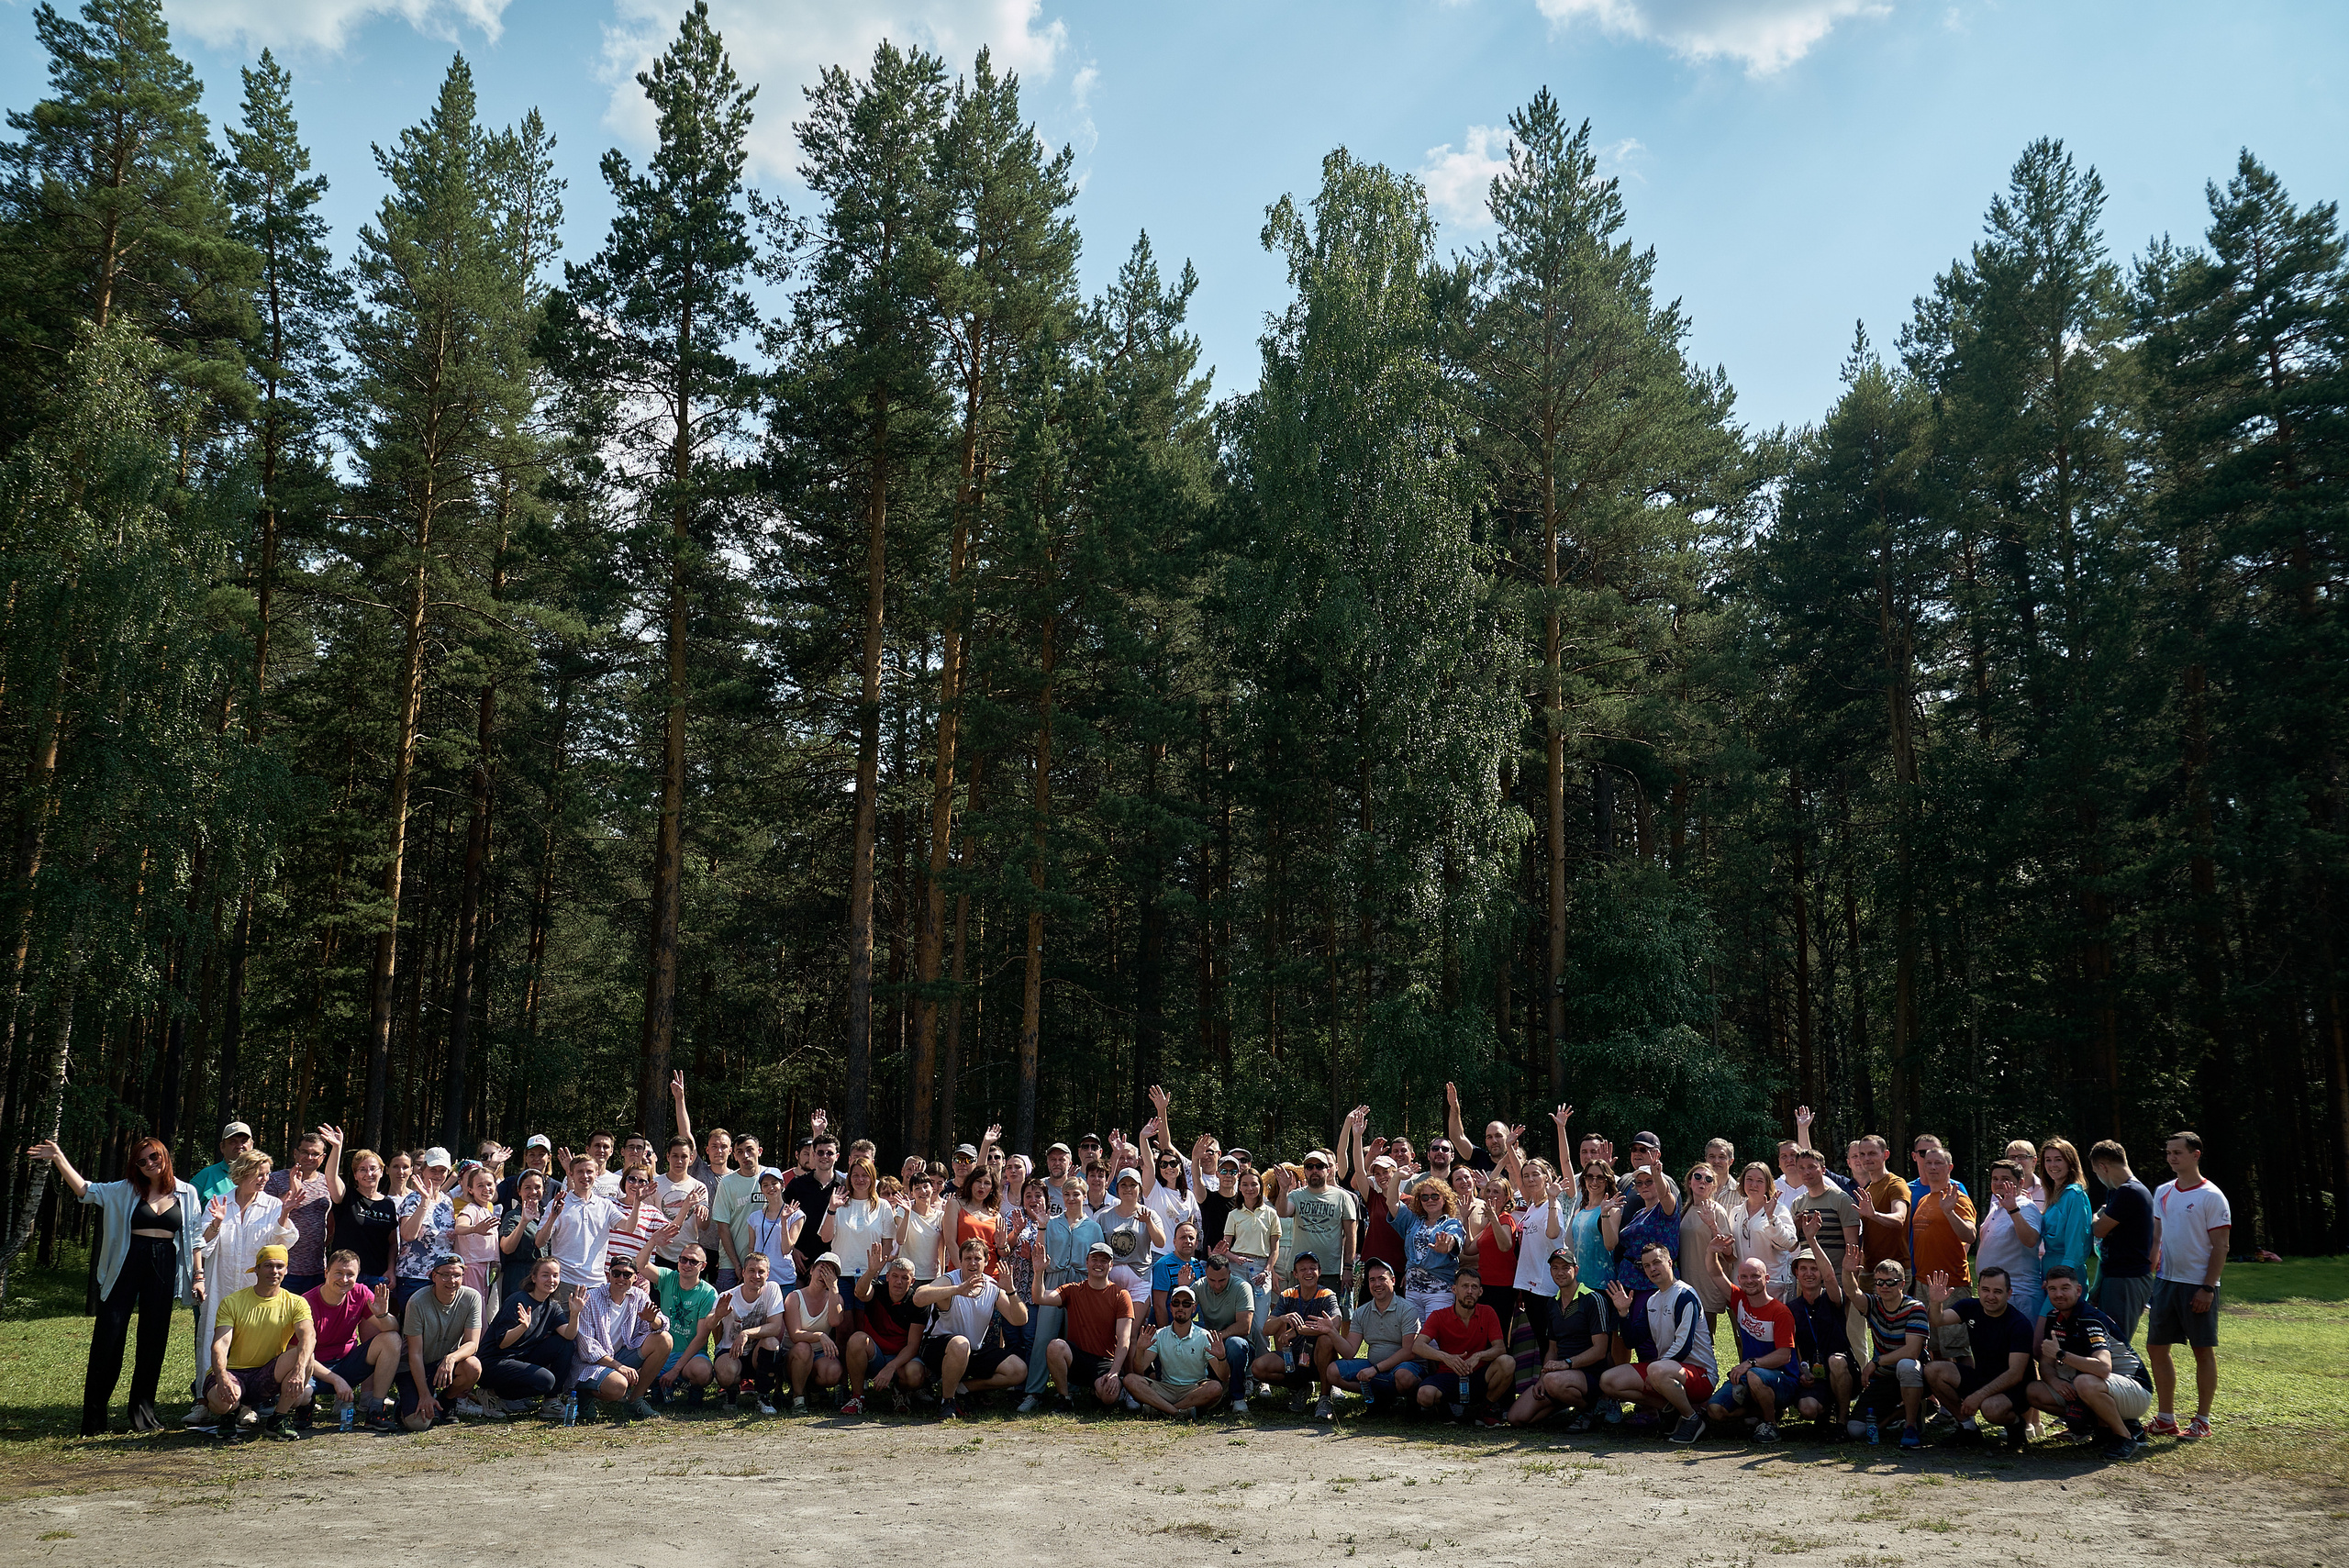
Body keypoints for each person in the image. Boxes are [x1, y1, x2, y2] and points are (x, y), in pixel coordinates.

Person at [29, 1136, 205, 1435]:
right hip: (126, 1262)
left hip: (164, 1265)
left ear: (165, 1156)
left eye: (154, 1157)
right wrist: (58, 1157)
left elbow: (195, 1236)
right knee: (108, 1337)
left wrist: (198, 1276)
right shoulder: (124, 1189)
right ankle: (94, 1420)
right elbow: (85, 1190)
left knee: (153, 1340)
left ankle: (143, 1415)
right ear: (136, 1166)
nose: (149, 1164)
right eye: (142, 1160)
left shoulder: (186, 1192)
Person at [193, 1149, 295, 1426]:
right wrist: (216, 1223)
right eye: (258, 1174)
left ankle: (248, 1404)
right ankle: (203, 1401)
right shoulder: (220, 1201)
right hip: (220, 1284)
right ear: (242, 1173)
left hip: (255, 1288)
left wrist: (284, 1214)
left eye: (267, 1174)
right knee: (211, 1338)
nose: (264, 1179)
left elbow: (280, 1248)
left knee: (253, 1342)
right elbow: (201, 1245)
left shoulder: (273, 1206)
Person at [2144, 1129, 2229, 1441]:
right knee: (2156, 1347)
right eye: (2168, 1152)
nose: (2171, 1157)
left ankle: (2202, 1420)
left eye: (2177, 1152)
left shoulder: (2212, 1196)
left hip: (2197, 1286)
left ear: (2196, 1155)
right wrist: (2150, 1275)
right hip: (2166, 1283)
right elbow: (2157, 1238)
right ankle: (2166, 1418)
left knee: (2201, 1350)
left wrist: (2207, 1287)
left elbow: (2221, 1246)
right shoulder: (2163, 1191)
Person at [2027, 1262, 2150, 1459]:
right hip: (2100, 1386)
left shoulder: (2090, 1319)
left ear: (2078, 1290)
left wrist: (2061, 1354)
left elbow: (2103, 1368)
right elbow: (2046, 1363)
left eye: (2065, 1288)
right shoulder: (2054, 1318)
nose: (2058, 1294)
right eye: (2053, 1289)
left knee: (2084, 1382)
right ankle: (2102, 1429)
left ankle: (2126, 1437)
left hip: (2135, 1390)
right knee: (2033, 1391)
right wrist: (2055, 1381)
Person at [1598, 1241, 1715, 1443]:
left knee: (1656, 1369)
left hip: (1700, 1374)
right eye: (1646, 1266)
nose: (1652, 1269)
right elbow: (1632, 1340)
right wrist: (1623, 1314)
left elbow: (1684, 1346)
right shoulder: (1652, 1300)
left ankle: (1692, 1419)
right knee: (1608, 1380)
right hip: (1666, 1371)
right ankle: (1671, 1411)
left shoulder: (1685, 1295)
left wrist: (1656, 1370)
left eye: (1657, 1262)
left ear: (1670, 1263)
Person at [201, 1244, 316, 1437]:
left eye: (280, 1266)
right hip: (233, 1372)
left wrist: (298, 1370)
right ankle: (229, 1415)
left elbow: (309, 1336)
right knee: (223, 1402)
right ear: (257, 1269)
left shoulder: (297, 1303)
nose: (274, 1271)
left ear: (286, 1270)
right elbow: (220, 1344)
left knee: (307, 1357)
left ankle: (278, 1419)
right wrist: (221, 1377)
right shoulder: (233, 1302)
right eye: (268, 1265)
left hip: (266, 1374)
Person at [914, 1236, 1030, 1418]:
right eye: (968, 1258)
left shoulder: (992, 1286)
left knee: (1018, 1369)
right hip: (937, 1348)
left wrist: (1011, 1291)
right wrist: (957, 1290)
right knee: (961, 1343)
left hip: (972, 1351)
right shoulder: (950, 1280)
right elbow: (918, 1298)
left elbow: (1020, 1320)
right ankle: (947, 1401)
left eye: (977, 1258)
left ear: (986, 1262)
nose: (973, 1263)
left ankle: (963, 1389)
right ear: (960, 1261)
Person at [1921, 1265, 2035, 1449]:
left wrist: (1978, 1396)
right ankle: (1968, 1429)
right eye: (1985, 1290)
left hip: (2014, 1388)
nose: (1990, 1296)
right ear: (1978, 1289)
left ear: (2009, 1293)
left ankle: (2016, 1426)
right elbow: (1937, 1320)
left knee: (1991, 1409)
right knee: (1933, 1370)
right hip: (1982, 1377)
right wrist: (1935, 1302)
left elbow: (2015, 1374)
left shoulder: (2019, 1324)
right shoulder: (1970, 1307)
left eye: (1997, 1291)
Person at [1505, 1250, 1610, 1428]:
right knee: (1516, 1417)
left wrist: (1566, 1364)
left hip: (1590, 1375)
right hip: (1560, 1376)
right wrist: (1541, 1378)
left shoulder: (1593, 1299)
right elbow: (1552, 1349)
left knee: (1553, 1381)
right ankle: (1563, 1401)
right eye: (1555, 1268)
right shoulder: (1552, 1303)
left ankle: (1590, 1410)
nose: (1560, 1272)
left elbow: (1600, 1351)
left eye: (1565, 1267)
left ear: (1576, 1270)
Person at [1701, 1254, 1798, 1441]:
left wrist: (1750, 1363)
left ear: (1766, 1278)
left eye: (1755, 1276)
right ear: (1739, 1279)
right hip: (1750, 1377)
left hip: (1783, 1380)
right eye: (1744, 1277)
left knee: (1754, 1375)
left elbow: (1784, 1356)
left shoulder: (1780, 1312)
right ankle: (1759, 1412)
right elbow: (1715, 1273)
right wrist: (1712, 1250)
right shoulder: (1739, 1300)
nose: (1749, 1281)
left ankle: (1770, 1425)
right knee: (1715, 1410)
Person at [1033, 1240, 1138, 1412]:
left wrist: (1114, 1372)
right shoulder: (1072, 1290)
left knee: (1109, 1397)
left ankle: (1097, 1391)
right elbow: (1040, 1298)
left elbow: (1124, 1340)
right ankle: (1065, 1398)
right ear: (1086, 1262)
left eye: (1104, 1261)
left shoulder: (1121, 1295)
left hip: (1105, 1362)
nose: (1099, 1264)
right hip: (1078, 1359)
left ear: (1111, 1265)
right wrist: (1039, 1272)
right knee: (1055, 1346)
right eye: (1094, 1259)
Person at [570, 1251, 671, 1420]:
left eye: (627, 1274)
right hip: (591, 1364)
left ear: (635, 1278)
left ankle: (635, 1401)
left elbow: (664, 1324)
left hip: (621, 1357)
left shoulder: (639, 1296)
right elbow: (588, 1350)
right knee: (618, 1386)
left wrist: (653, 1320)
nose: (621, 1278)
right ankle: (584, 1395)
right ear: (608, 1275)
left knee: (665, 1339)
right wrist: (619, 1367)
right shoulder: (591, 1298)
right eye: (616, 1273)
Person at [305, 1248, 402, 1422]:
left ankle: (376, 1408)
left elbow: (392, 1328)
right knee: (300, 1395)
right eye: (338, 1273)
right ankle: (305, 1407)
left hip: (346, 1364)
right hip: (313, 1368)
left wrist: (382, 1315)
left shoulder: (360, 1292)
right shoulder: (306, 1302)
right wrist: (335, 1380)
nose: (344, 1279)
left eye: (350, 1274)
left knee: (392, 1339)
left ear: (357, 1276)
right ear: (326, 1273)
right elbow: (298, 1353)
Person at [393, 1252, 484, 1430]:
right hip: (414, 1366)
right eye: (445, 1275)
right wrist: (424, 1394)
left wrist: (451, 1358)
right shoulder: (417, 1301)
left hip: (444, 1364)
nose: (452, 1280)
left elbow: (472, 1344)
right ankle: (404, 1405)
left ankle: (447, 1401)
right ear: (434, 1276)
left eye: (457, 1275)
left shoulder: (472, 1297)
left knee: (473, 1366)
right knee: (418, 1424)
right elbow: (415, 1353)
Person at [1412, 1266, 1513, 1427]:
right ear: (1454, 1289)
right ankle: (1444, 1410)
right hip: (1448, 1375)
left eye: (1474, 1287)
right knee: (1424, 1395)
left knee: (1507, 1362)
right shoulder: (1439, 1315)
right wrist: (1446, 1357)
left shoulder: (1488, 1312)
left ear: (1480, 1292)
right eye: (1465, 1286)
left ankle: (1485, 1410)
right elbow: (1417, 1346)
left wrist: (1478, 1356)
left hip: (1478, 1375)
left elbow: (1500, 1348)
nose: (1469, 1291)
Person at [689, 1249, 787, 1414]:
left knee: (772, 1343)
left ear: (768, 1274)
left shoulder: (772, 1289)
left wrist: (746, 1333)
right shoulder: (728, 1296)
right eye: (751, 1270)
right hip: (730, 1351)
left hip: (757, 1352)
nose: (756, 1276)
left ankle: (763, 1396)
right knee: (726, 1373)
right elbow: (709, 1324)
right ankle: (731, 1391)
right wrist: (718, 1315)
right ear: (743, 1273)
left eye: (761, 1271)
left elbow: (776, 1327)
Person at [1848, 1256, 1928, 1450]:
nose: (1884, 1286)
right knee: (1855, 1430)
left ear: (1902, 1283)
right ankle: (1898, 1414)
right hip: (1884, 1379)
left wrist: (1876, 1362)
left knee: (1906, 1365)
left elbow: (1912, 1351)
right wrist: (1848, 1271)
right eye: (1879, 1282)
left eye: (1890, 1282)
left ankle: (1910, 1426)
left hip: (1915, 1376)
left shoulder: (1915, 1308)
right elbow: (1852, 1292)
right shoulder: (1873, 1304)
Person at [481, 1254, 573, 1417]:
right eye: (545, 1275)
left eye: (555, 1275)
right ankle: (493, 1393)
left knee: (565, 1344)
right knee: (546, 1381)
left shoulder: (552, 1306)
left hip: (520, 1359)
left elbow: (569, 1335)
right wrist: (523, 1327)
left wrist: (576, 1314)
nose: (551, 1280)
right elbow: (502, 1343)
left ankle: (551, 1401)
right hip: (495, 1363)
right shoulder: (518, 1300)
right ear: (534, 1278)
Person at [1253, 1250, 1345, 1413]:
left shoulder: (1326, 1294)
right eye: (1303, 1269)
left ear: (1319, 1271)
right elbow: (1267, 1329)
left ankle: (1324, 1398)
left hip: (1319, 1359)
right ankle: (1300, 1387)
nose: (1308, 1272)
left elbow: (1335, 1324)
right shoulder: (1288, 1294)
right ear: (1295, 1274)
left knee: (1326, 1339)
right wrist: (1282, 1319)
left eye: (1313, 1268)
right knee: (1258, 1367)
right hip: (1295, 1358)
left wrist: (1297, 1331)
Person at [1329, 1254, 1420, 1418]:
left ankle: (1408, 1401)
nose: (1377, 1284)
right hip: (1373, 1366)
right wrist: (1331, 1332)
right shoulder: (1361, 1312)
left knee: (1404, 1377)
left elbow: (1409, 1352)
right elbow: (1349, 1352)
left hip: (1401, 1367)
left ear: (1393, 1280)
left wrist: (1375, 1369)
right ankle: (1381, 1398)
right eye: (1372, 1280)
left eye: (1382, 1279)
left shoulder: (1408, 1310)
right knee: (1332, 1371)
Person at [1909, 1144, 1977, 1361]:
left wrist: (1949, 1212)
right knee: (1933, 1347)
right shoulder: (1924, 1200)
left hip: (1951, 1284)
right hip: (1924, 1283)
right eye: (1928, 1163)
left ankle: (1966, 1382)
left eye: (1938, 1163)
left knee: (1957, 1348)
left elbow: (1970, 1235)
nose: (1932, 1167)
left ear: (1949, 1167)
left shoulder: (1958, 1198)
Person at [846, 1251, 930, 1415]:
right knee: (856, 1339)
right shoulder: (877, 1290)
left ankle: (900, 1392)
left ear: (912, 1281)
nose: (899, 1282)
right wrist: (871, 1271)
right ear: (887, 1277)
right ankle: (857, 1397)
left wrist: (891, 1367)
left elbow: (913, 1346)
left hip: (901, 1359)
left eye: (905, 1278)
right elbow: (860, 1293)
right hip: (875, 1355)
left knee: (915, 1375)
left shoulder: (918, 1302)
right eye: (895, 1276)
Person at [2087, 1138, 2155, 1341]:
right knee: (2102, 1340)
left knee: (2115, 1343)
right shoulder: (2117, 1191)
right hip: (2115, 1275)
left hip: (2127, 1279)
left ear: (2103, 1167)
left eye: (2096, 1172)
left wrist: (2094, 1217)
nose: (2098, 1177)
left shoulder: (2129, 1192)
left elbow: (2099, 1230)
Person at [1275, 1150, 1357, 1314]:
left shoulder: (1342, 1197)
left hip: (1331, 1271)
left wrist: (1348, 1268)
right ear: (1305, 1170)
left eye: (1319, 1166)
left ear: (1328, 1170)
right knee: (1297, 1317)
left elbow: (1351, 1235)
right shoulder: (1295, 1195)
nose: (1314, 1170)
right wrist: (1283, 1189)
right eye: (1309, 1166)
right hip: (1300, 1270)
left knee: (1332, 1318)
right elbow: (1282, 1212)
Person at [1125, 1282, 1226, 1418]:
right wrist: (1140, 1350)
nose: (1180, 1307)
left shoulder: (1204, 1336)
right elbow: (1139, 1371)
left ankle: (1162, 1409)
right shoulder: (1159, 1334)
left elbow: (1224, 1376)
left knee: (1215, 1388)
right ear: (1171, 1307)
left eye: (1186, 1304)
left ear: (1194, 1308)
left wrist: (1222, 1358)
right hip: (1165, 1388)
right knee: (1130, 1380)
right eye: (1176, 1303)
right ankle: (1178, 1412)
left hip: (1194, 1389)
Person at [1384, 1162, 1465, 1326]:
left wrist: (1447, 1246)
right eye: (1425, 1197)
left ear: (1444, 1199)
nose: (1430, 1200)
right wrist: (1397, 1177)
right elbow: (1392, 1203)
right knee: (1413, 1334)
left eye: (1435, 1196)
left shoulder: (1451, 1223)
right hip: (1413, 1290)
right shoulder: (1412, 1221)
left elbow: (1453, 1238)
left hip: (1440, 1291)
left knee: (1433, 1336)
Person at [535, 1152, 627, 1295]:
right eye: (580, 1172)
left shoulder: (606, 1205)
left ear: (596, 1174)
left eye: (589, 1171)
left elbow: (629, 1227)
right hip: (565, 1282)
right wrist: (553, 1217)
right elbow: (539, 1242)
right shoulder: (558, 1204)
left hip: (597, 1284)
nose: (585, 1176)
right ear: (571, 1174)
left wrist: (638, 1200)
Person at [321, 1132, 398, 1293]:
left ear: (381, 1172)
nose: (368, 1174)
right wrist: (337, 1147)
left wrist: (391, 1269)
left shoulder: (389, 1205)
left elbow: (392, 1243)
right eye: (362, 1169)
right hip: (345, 1275)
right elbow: (330, 1177)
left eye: (373, 1169)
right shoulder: (346, 1197)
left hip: (377, 1277)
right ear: (355, 1175)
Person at [262, 1131, 334, 1296]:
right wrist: (291, 1191)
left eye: (315, 1154)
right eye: (305, 1152)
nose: (309, 1157)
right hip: (283, 1268)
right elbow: (265, 1213)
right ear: (295, 1153)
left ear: (323, 1157)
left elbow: (332, 1221)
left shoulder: (327, 1182)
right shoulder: (275, 1179)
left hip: (317, 1268)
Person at [648, 1243, 718, 1406]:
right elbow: (641, 1265)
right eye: (683, 1259)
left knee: (702, 1372)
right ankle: (663, 1385)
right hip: (663, 1351)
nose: (687, 1265)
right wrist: (654, 1241)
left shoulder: (708, 1293)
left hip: (691, 1355)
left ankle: (689, 1389)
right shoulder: (668, 1277)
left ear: (703, 1266)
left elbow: (701, 1338)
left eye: (693, 1262)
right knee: (634, 1368)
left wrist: (676, 1369)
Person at [1976, 1159, 2046, 1322]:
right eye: (1995, 1179)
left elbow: (2031, 1240)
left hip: (2019, 1295)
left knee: (2022, 1339)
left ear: (2020, 1183)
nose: (1998, 1183)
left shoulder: (2025, 1207)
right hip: (1998, 1296)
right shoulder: (1996, 1207)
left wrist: (2013, 1210)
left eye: (2005, 1179)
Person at [1189, 1250, 1257, 1414]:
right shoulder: (1199, 1286)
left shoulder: (1242, 1287)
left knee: (1235, 1345)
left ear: (1230, 1274)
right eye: (1212, 1280)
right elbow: (1182, 1312)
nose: (1217, 1285)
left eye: (1222, 1280)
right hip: (1210, 1341)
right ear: (1206, 1275)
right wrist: (1183, 1287)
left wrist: (1217, 1337)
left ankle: (1238, 1397)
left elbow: (1244, 1327)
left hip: (1236, 1342)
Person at [392, 1149, 458, 1317]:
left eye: (442, 1170)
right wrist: (424, 1203)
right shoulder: (412, 1200)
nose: (438, 1175)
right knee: (414, 1328)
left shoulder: (447, 1201)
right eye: (433, 1170)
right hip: (415, 1278)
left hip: (442, 1279)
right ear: (423, 1171)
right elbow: (408, 1235)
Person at [819, 1155, 895, 1300]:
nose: (860, 1179)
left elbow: (887, 1244)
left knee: (868, 1315)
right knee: (843, 1315)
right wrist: (832, 1209)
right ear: (849, 1178)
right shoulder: (838, 1203)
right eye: (855, 1175)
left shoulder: (883, 1206)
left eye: (865, 1175)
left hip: (872, 1275)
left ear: (872, 1178)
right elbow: (826, 1238)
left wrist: (876, 1270)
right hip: (842, 1273)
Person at [782, 1251, 848, 1413]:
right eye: (822, 1269)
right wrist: (819, 1335)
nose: (824, 1275)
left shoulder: (837, 1298)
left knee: (833, 1372)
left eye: (830, 1272)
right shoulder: (794, 1297)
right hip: (794, 1355)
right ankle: (798, 1397)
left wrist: (833, 1289)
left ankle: (812, 1389)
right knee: (803, 1348)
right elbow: (795, 1335)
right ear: (811, 1270)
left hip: (819, 1355)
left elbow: (835, 1321)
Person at [1678, 1161, 1734, 1335]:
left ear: (1714, 1187)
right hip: (1687, 1283)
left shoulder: (1717, 1211)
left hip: (1708, 1285)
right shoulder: (1685, 1210)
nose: (1703, 1181)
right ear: (1689, 1182)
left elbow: (1729, 1252)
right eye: (1698, 1177)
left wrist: (1712, 1226)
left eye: (1708, 1179)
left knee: (1704, 1337)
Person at [783, 1133, 847, 1284]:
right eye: (820, 1152)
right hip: (801, 1261)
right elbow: (781, 1217)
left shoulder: (845, 1186)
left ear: (837, 1156)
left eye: (829, 1153)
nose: (825, 1156)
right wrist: (792, 1249)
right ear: (814, 1155)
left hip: (834, 1260)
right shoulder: (797, 1184)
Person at [1846, 1134, 1911, 1280]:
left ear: (1885, 1155)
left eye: (1872, 1153)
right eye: (1862, 1154)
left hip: (1893, 1272)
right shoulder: (1869, 1189)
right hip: (1869, 1270)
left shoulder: (1895, 1184)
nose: (1866, 1158)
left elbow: (1899, 1219)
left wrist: (1874, 1214)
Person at [1730, 1162, 1798, 1297]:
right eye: (1749, 1179)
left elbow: (1789, 1243)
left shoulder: (1779, 1209)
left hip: (1772, 1283)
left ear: (1767, 1185)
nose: (1753, 1185)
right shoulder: (1735, 1212)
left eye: (1760, 1181)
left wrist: (1771, 1218)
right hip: (1742, 1283)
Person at [709, 1134, 766, 1294]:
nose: (745, 1156)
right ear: (734, 1155)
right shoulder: (727, 1183)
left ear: (760, 1151)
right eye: (740, 1152)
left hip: (764, 1264)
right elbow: (723, 1228)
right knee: (725, 1307)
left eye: (750, 1150)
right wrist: (737, 1264)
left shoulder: (770, 1178)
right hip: (731, 1264)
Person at [654, 1134, 712, 1273]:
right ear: (668, 1157)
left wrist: (702, 1211)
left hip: (688, 1257)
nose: (679, 1161)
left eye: (684, 1156)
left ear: (691, 1158)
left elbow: (704, 1226)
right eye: (675, 1156)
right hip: (659, 1254)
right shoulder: (656, 1184)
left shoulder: (699, 1187)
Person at [740, 1167, 806, 1292]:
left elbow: (786, 1250)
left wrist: (784, 1221)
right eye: (765, 1185)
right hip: (758, 1278)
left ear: (782, 1185)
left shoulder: (796, 1215)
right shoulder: (754, 1217)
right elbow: (751, 1249)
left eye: (774, 1183)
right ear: (761, 1190)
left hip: (784, 1279)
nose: (770, 1187)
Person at [2036, 1137, 2093, 1277]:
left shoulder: (2074, 1195)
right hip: (2049, 1269)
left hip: (2066, 1273)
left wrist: (2064, 1274)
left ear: (2070, 1163)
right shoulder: (2054, 1195)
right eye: (2048, 1160)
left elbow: (2076, 1240)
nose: (2052, 1165)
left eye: (2058, 1159)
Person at [192, 1121, 253, 1205]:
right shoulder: (206, 1176)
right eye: (233, 1142)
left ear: (252, 1145)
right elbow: (185, 1205)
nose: (239, 1146)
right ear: (222, 1147)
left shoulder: (262, 1177)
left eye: (244, 1141)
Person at [495, 1135, 554, 1210]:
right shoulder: (509, 1183)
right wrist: (493, 1166)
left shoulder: (556, 1188)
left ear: (549, 1157)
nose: (536, 1158)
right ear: (525, 1157)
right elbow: (489, 1198)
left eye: (541, 1154)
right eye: (532, 1155)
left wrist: (568, 1173)